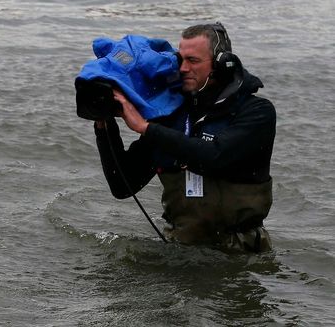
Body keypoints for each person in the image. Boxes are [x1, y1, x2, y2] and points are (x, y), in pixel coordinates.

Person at [95, 23, 276, 252]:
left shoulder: (257, 112)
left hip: (241, 254)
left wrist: (146, 128)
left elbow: (215, 155)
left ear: (221, 65)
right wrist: (105, 125)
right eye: (180, 59)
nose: (182, 68)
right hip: (181, 249)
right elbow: (122, 185)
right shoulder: (171, 116)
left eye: (193, 60)